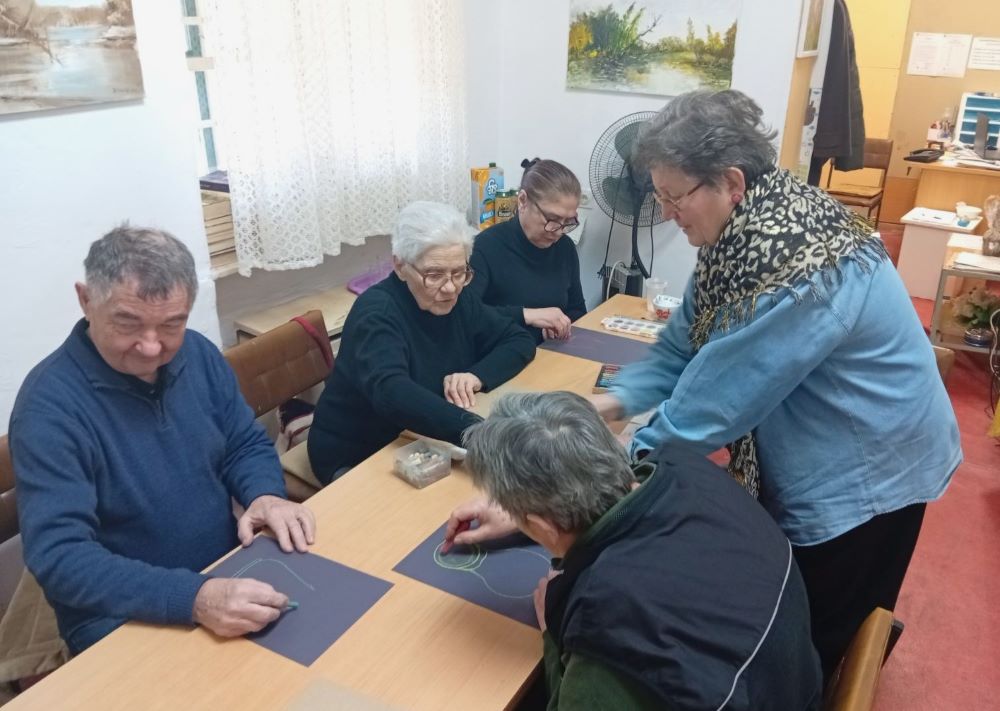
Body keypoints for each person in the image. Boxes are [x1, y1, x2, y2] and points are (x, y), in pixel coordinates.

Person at [589, 89, 962, 682]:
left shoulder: (791, 262)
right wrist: (609, 404)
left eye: (675, 196)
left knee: (804, 646)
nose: (667, 212)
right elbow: (681, 348)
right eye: (659, 196)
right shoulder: (738, 237)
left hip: (869, 475)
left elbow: (712, 408)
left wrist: (597, 477)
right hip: (848, 439)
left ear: (731, 183)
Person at [10, 226, 317, 655]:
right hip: (119, 613)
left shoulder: (197, 354)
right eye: (128, 323)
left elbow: (242, 443)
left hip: (220, 571)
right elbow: (61, 557)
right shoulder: (49, 408)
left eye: (172, 324)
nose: (152, 347)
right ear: (86, 300)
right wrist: (194, 597)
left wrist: (264, 493)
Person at [446, 392, 822, 710]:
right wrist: (525, 517)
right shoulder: (687, 468)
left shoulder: (604, 617)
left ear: (544, 526)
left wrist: (551, 635)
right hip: (792, 686)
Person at [308, 201, 535, 484]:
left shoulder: (459, 298)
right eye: (434, 275)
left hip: (420, 438)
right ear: (400, 265)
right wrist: (480, 432)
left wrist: (477, 375)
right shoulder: (376, 313)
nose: (450, 287)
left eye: (459, 272)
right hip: (360, 451)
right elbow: (394, 392)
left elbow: (517, 339)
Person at [467, 158, 587, 342]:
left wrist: (561, 325)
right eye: (552, 219)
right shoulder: (485, 247)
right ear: (523, 201)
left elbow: (577, 310)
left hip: (550, 352)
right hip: (501, 351)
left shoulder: (565, 248)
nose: (558, 231)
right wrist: (527, 315)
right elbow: (467, 315)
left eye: (568, 221)